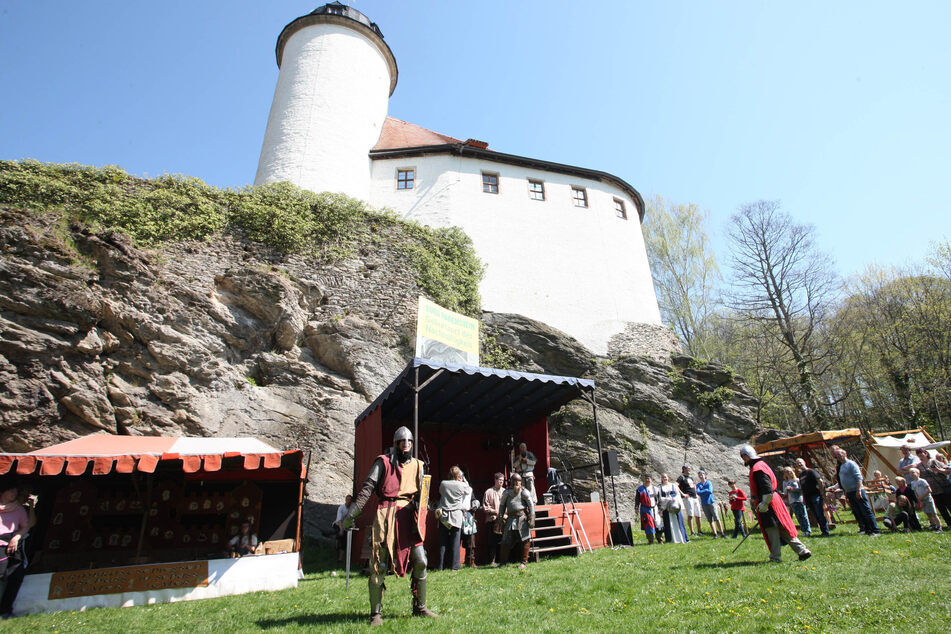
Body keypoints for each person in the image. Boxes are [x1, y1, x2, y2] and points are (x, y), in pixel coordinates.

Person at [342, 426, 437, 625]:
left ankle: (420, 606)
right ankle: (375, 613)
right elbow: (368, 488)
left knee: (420, 560)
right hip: (386, 515)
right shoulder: (383, 462)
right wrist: (351, 515)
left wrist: (428, 508)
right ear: (395, 444)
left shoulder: (419, 465)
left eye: (409, 442)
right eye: (403, 442)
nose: (406, 445)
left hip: (409, 518)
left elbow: (422, 495)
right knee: (379, 563)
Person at [740, 445, 811, 563]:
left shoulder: (758, 469)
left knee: (771, 529)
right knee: (782, 528)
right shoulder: (762, 465)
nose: (744, 460)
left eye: (744, 457)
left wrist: (764, 503)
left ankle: (775, 557)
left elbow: (767, 488)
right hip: (772, 500)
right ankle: (802, 550)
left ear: (748, 456)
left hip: (769, 501)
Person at [832, 446, 880, 536]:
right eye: (837, 455)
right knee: (858, 511)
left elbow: (859, 478)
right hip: (849, 492)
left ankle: (875, 530)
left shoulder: (851, 464)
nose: (838, 456)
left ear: (845, 454)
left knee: (866, 510)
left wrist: (858, 490)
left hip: (857, 490)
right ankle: (866, 529)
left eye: (840, 454)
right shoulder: (841, 466)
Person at [0, 480, 31, 620]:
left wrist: (16, 537)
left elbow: (25, 526)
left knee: (16, 575)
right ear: (3, 492)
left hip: (12, 543)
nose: (14, 494)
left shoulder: (18, 509)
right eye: (11, 491)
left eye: (15, 492)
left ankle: (6, 609)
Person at [496, 473, 535, 569]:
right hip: (510, 519)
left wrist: (532, 518)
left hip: (522, 518)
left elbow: (531, 506)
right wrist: (500, 518)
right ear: (512, 482)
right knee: (505, 540)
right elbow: (502, 506)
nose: (517, 483)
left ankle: (524, 562)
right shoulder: (506, 493)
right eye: (515, 481)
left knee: (525, 539)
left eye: (519, 481)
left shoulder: (524, 492)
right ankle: (503, 562)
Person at [436, 466, 471, 571]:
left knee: (442, 542)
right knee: (455, 542)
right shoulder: (462, 485)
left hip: (444, 515)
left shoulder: (443, 483)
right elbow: (468, 491)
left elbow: (440, 492)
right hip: (456, 515)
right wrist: (464, 480)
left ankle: (440, 566)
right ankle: (455, 566)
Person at [915, 448, 951, 529]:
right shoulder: (919, 466)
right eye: (918, 454)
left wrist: (938, 470)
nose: (920, 455)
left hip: (943, 488)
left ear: (926, 453)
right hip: (933, 491)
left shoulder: (933, 461)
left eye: (921, 453)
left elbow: (948, 470)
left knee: (949, 506)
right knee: (941, 509)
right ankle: (949, 524)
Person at [795, 458, 830, 537]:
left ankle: (825, 531)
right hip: (807, 497)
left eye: (800, 462)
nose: (799, 464)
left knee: (820, 513)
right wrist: (803, 498)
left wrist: (822, 492)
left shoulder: (811, 471)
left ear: (804, 462)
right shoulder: (800, 475)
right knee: (815, 514)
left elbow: (820, 481)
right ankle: (823, 530)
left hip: (815, 495)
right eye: (797, 463)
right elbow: (802, 488)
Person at [657, 473, 689, 543]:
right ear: (661, 479)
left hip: (675, 507)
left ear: (668, 478)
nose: (664, 478)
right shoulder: (659, 487)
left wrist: (673, 499)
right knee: (668, 524)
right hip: (666, 508)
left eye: (665, 477)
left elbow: (677, 495)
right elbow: (660, 498)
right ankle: (670, 539)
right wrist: (667, 500)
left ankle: (682, 538)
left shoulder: (673, 486)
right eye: (663, 477)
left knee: (679, 522)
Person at [482, 472, 505, 566]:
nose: (501, 482)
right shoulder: (488, 492)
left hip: (503, 520)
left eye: (502, 481)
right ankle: (492, 561)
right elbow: (485, 507)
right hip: (491, 520)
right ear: (495, 480)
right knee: (492, 542)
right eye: (500, 480)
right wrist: (494, 511)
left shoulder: (505, 492)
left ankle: (502, 560)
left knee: (502, 541)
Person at [781, 466, 810, 536]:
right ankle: (803, 530)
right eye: (785, 472)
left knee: (804, 515)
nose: (787, 473)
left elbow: (801, 489)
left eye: (788, 471)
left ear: (791, 472)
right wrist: (786, 490)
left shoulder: (797, 480)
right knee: (798, 516)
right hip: (792, 500)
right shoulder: (785, 482)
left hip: (799, 499)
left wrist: (793, 489)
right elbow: (785, 492)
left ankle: (808, 530)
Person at [695, 470, 725, 538]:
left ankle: (722, 533)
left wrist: (703, 491)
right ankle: (715, 534)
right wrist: (705, 491)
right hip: (704, 503)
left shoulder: (709, 483)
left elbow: (710, 491)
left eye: (702, 474)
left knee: (716, 518)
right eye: (699, 475)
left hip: (711, 502)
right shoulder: (698, 485)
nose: (700, 476)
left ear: (705, 475)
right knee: (710, 519)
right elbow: (698, 492)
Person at [677, 466, 703, 536]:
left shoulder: (690, 477)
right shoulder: (681, 477)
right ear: (684, 469)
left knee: (698, 514)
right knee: (690, 514)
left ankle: (699, 530)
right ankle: (692, 532)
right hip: (688, 497)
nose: (689, 470)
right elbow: (676, 485)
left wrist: (696, 493)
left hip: (694, 497)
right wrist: (683, 494)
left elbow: (694, 485)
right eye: (687, 468)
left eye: (689, 468)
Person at [636, 474, 661, 544]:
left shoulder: (656, 489)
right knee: (648, 525)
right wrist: (636, 508)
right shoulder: (640, 489)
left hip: (655, 508)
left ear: (652, 479)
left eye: (649, 478)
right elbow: (637, 499)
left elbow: (659, 499)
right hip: (645, 509)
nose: (647, 480)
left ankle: (659, 538)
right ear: (644, 480)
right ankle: (650, 540)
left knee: (658, 523)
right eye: (646, 478)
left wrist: (660, 509)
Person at [333, 494, 353, 563]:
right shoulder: (341, 508)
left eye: (350, 500)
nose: (348, 501)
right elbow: (339, 520)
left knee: (344, 541)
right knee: (339, 535)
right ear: (345, 500)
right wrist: (341, 529)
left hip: (346, 526)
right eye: (347, 500)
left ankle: (340, 559)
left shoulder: (352, 509)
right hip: (338, 524)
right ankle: (336, 545)